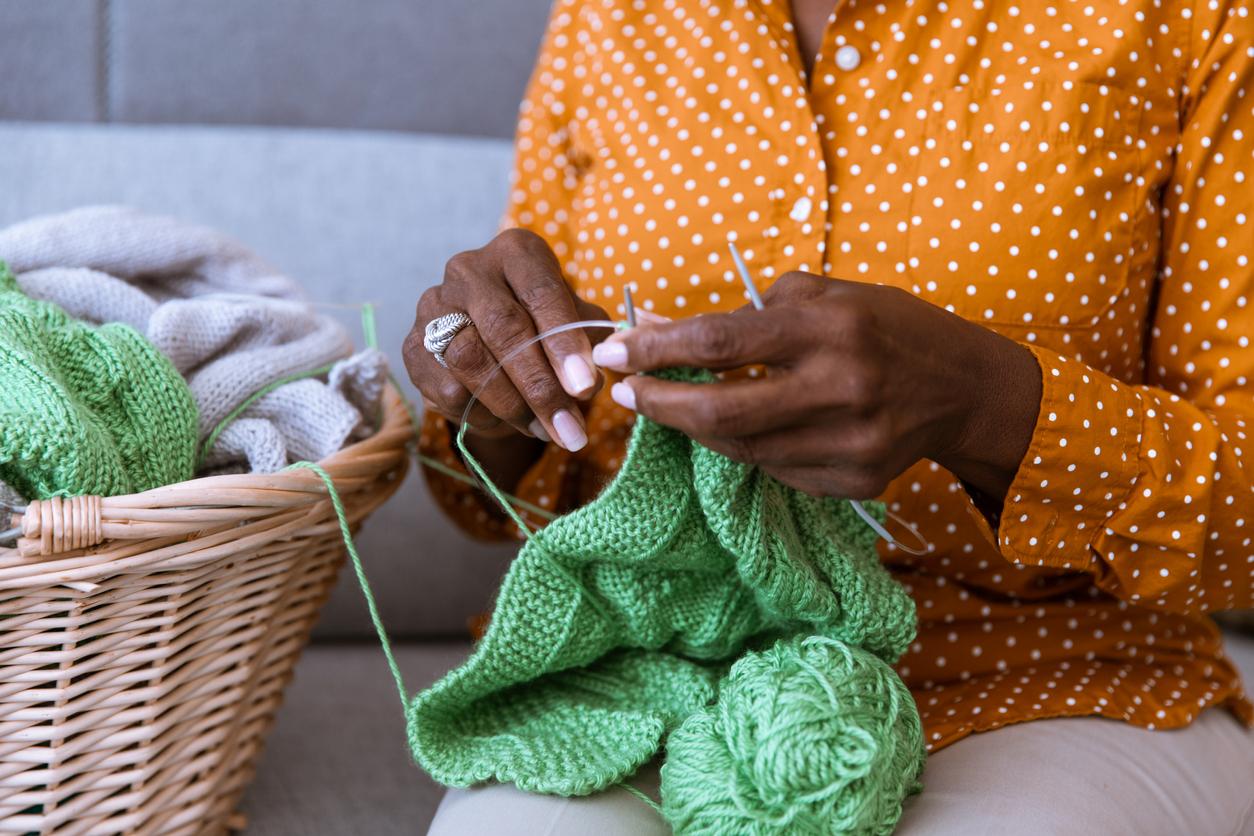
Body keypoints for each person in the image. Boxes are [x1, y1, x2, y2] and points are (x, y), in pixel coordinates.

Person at [405, 0, 1254, 832]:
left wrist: (985, 403)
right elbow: (497, 492)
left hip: (1055, 671)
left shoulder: (1185, 17)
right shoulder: (610, 16)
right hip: (652, 668)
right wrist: (497, 381)